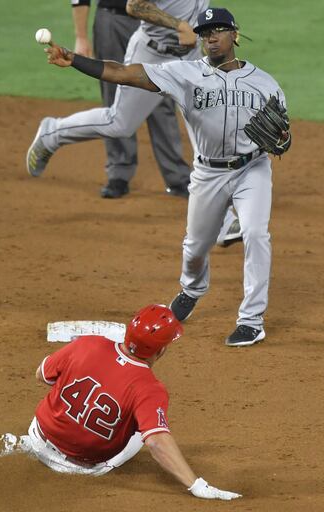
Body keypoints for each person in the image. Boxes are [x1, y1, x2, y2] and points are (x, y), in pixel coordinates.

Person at [37, 7, 291, 348]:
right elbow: (124, 73)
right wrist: (76, 60)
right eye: (204, 32)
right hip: (208, 173)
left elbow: (281, 133)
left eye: (218, 30)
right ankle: (192, 288)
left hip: (252, 170)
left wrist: (283, 141)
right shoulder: (184, 74)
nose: (210, 37)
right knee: (195, 249)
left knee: (256, 234)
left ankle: (251, 320)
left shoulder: (265, 82)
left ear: (235, 34)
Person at [27, 0, 241, 245]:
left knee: (205, 133)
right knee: (120, 123)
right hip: (151, 54)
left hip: (191, 57)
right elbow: (134, 5)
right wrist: (178, 25)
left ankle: (224, 221)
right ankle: (52, 133)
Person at [0, 304, 241, 501]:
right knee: (148, 429)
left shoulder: (86, 344)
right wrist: (196, 485)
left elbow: (42, 375)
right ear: (161, 351)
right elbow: (156, 442)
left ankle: (26, 445)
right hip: (79, 467)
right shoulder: (149, 388)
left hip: (39, 435)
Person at [71, 0, 192, 199]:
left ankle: (176, 175)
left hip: (154, 21)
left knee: (161, 95)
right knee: (114, 95)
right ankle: (119, 171)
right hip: (112, 20)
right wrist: (81, 36)